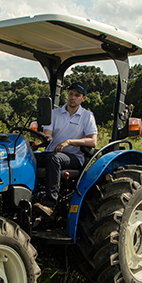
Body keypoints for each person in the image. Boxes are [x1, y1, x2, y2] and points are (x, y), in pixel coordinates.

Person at [34, 83, 98, 217]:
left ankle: (49, 204)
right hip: (52, 153)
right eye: (70, 94)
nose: (72, 97)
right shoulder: (55, 113)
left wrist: (69, 142)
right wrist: (47, 136)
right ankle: (29, 197)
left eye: (77, 95)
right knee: (27, 157)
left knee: (54, 158)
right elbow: (48, 132)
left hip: (74, 157)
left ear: (83, 99)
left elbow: (92, 141)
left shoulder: (87, 116)